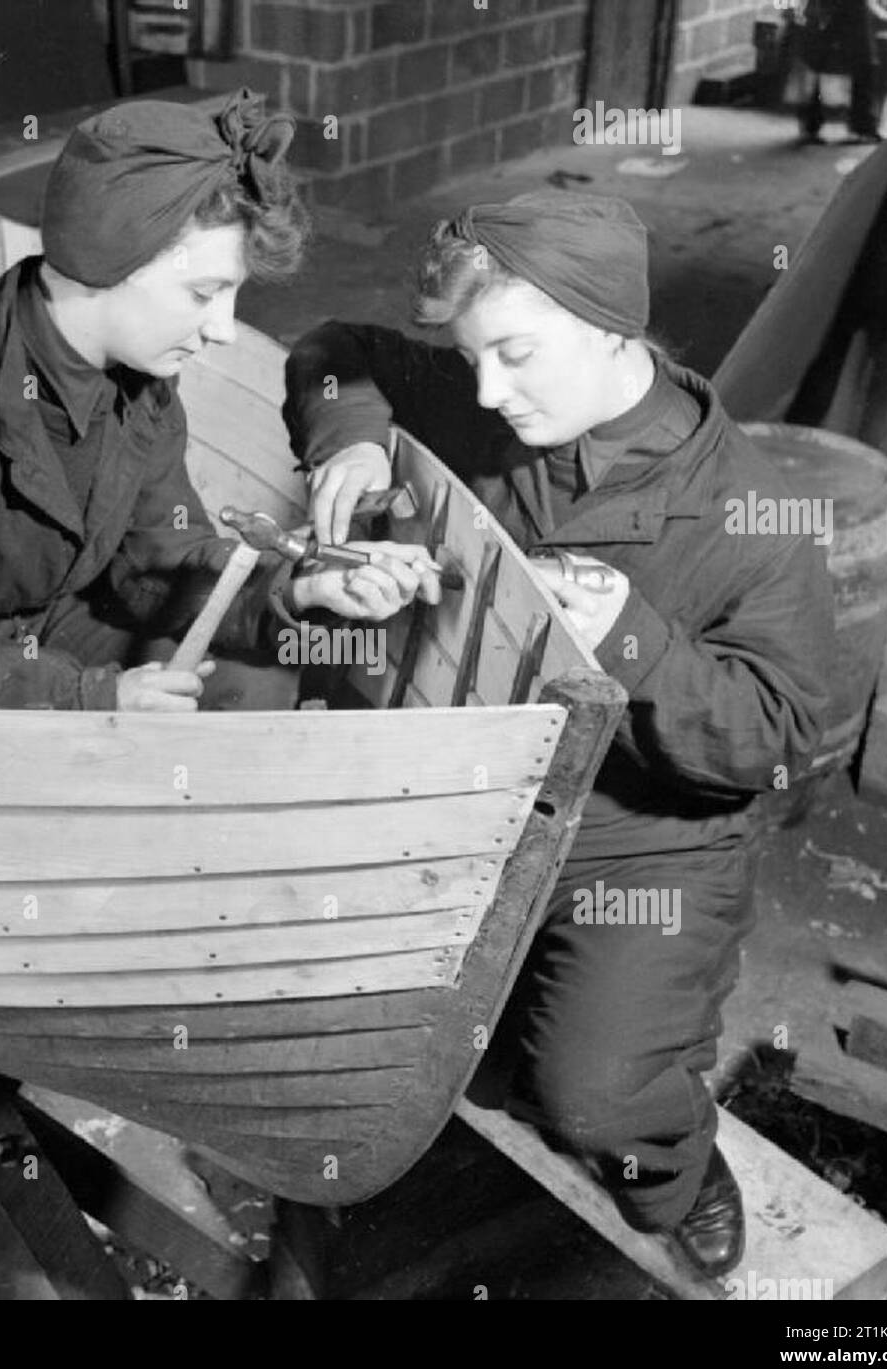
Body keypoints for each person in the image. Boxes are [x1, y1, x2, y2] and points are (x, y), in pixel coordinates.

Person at [282, 190, 835, 1278]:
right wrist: (349, 440)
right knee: (353, 1001)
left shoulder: (755, 520)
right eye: (473, 356)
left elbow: (769, 745)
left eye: (518, 356)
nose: (488, 390)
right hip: (479, 785)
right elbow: (337, 350)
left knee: (596, 1094)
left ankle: (674, 1162)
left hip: (648, 832)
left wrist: (632, 640)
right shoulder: (489, 397)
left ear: (611, 329)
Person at [0, 90, 439, 710]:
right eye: (203, 294)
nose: (224, 331)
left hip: (34, 623)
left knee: (251, 684)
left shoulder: (139, 378)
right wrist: (92, 698)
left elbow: (156, 562)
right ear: (110, 260)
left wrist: (296, 587)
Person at [797, 0, 887, 144]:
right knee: (861, 69)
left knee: (827, 68)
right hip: (844, 18)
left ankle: (813, 125)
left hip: (840, 18)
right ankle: (861, 127)